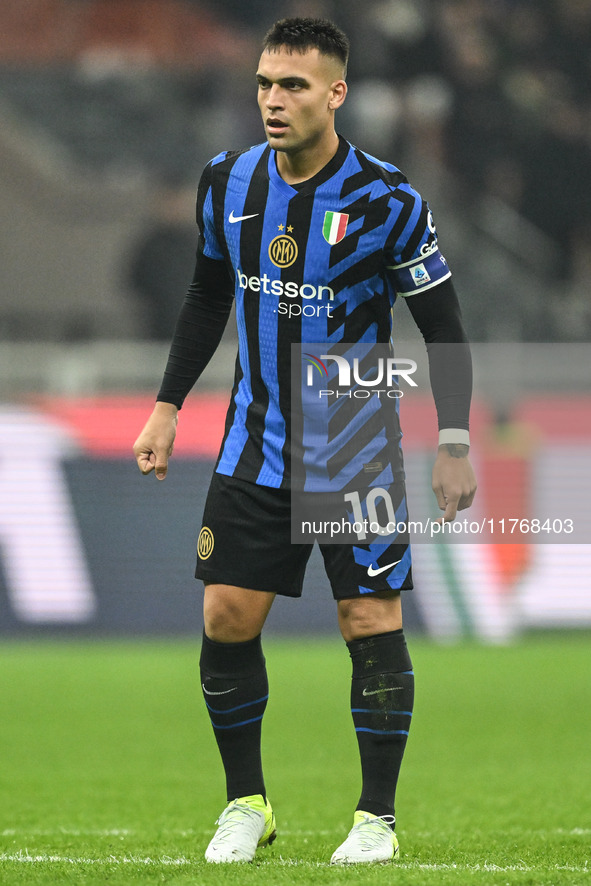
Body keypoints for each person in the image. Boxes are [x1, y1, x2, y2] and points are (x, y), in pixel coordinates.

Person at [133, 17, 476, 866]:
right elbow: (207, 298)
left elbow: (444, 327)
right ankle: (246, 803)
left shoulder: (389, 202)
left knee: (367, 618)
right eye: (262, 83)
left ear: (336, 93)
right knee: (226, 614)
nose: (272, 101)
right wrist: (167, 404)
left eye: (292, 86)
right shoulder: (227, 181)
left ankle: (376, 819)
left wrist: (456, 438)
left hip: (351, 439)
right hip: (253, 439)